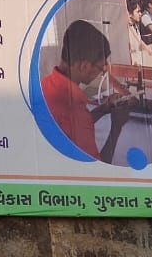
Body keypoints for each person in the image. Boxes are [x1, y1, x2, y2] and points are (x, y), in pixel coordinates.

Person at [41, 20, 133, 163]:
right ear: (83, 66)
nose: (103, 71)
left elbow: (70, 128)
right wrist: (116, 127)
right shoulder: (74, 110)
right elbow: (96, 170)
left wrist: (103, 109)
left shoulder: (45, 84)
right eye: (101, 67)